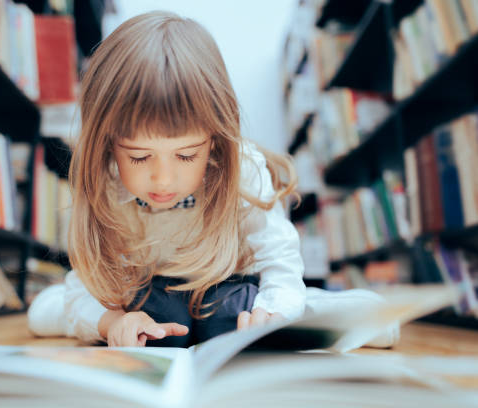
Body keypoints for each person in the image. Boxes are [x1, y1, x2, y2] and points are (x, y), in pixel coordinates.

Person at [28, 11, 399, 348]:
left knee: (262, 311)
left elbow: (278, 260)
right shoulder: (105, 180)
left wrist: (274, 316)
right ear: (108, 146)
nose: (162, 177)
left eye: (186, 155)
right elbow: (89, 283)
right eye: (139, 157)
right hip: (146, 297)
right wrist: (112, 323)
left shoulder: (243, 170)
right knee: (46, 316)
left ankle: (326, 310)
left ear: (216, 142)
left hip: (232, 292)